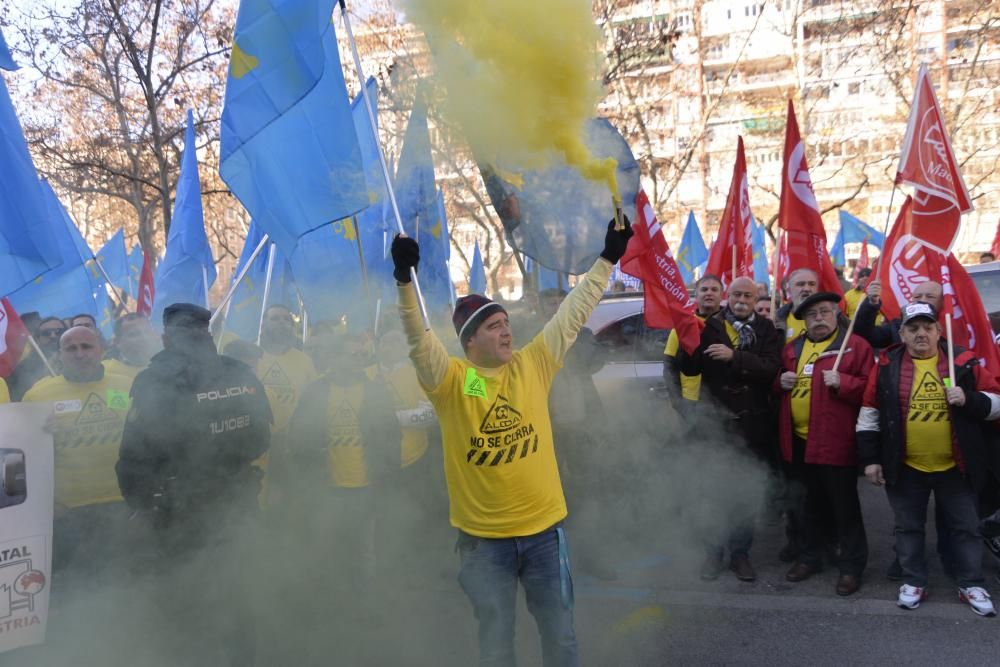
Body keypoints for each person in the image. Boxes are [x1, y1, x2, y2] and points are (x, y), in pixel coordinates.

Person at [392, 218, 632, 667]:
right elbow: (418, 342)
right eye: (493, 327)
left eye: (506, 323)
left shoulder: (531, 367)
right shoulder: (458, 384)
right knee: (497, 645)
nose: (506, 331)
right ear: (470, 342)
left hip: (545, 535)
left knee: (560, 639)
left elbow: (573, 311)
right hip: (485, 546)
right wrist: (405, 282)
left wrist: (607, 259)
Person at [117, 303, 271, 664]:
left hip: (180, 511)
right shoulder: (240, 374)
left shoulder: (153, 381)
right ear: (208, 334)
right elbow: (261, 439)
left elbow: (135, 456)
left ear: (167, 337)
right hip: (237, 501)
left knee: (186, 597)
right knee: (239, 588)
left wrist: (143, 504)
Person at [857, 301, 1000, 615]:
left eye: (927, 327)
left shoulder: (962, 362)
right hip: (906, 467)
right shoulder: (886, 365)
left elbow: (997, 402)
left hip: (956, 468)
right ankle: (913, 581)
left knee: (966, 528)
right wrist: (869, 459)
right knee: (908, 528)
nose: (921, 333)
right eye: (913, 328)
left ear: (939, 332)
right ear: (903, 335)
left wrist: (970, 399)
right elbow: (869, 414)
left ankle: (971, 583)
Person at [677, 276, 783, 582]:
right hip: (715, 424)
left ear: (756, 297)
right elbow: (690, 368)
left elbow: (770, 368)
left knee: (744, 492)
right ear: (727, 295)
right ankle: (713, 553)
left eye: (748, 295)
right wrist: (688, 340)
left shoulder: (766, 329)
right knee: (713, 492)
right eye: (736, 293)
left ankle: (740, 554)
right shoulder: (709, 326)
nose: (741, 299)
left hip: (752, 427)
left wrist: (734, 356)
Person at [776, 292, 873, 596]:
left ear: (836, 315)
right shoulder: (792, 349)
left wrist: (844, 383)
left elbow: (873, 391)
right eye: (812, 314)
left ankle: (851, 566)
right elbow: (777, 386)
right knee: (806, 506)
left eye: (824, 312)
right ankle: (810, 557)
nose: (818, 318)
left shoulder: (855, 347)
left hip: (834, 441)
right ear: (803, 320)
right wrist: (778, 382)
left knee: (844, 508)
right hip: (799, 442)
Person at [22, 326, 133, 586]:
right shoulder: (38, 395)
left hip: (123, 504)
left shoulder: (126, 386)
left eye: (86, 346)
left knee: (127, 582)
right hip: (69, 513)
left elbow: (147, 442)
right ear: (60, 354)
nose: (79, 354)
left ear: (102, 350)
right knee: (82, 586)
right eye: (70, 348)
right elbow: (27, 458)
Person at [255, 303, 317, 507]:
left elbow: (312, 403)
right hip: (257, 443)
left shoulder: (305, 361)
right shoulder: (252, 359)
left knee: (290, 501)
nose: (281, 323)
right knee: (257, 497)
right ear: (263, 324)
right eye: (274, 318)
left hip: (292, 443)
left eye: (286, 319)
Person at [663, 274, 723, 402]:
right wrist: (678, 402)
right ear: (696, 295)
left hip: (723, 403)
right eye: (704, 289)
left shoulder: (731, 324)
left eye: (714, 289)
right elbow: (669, 368)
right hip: (691, 401)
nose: (709, 293)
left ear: (722, 295)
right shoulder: (682, 327)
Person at [854, 279, 942, 350]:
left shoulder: (953, 327)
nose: (923, 300)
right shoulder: (897, 326)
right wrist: (871, 304)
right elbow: (865, 335)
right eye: (917, 297)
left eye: (930, 296)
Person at [7, 316, 65, 401]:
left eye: (59, 331)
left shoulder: (81, 359)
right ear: (37, 340)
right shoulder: (22, 369)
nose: (53, 336)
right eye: (46, 333)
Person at [104, 313, 161, 379]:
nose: (144, 338)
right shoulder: (106, 372)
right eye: (134, 334)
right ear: (117, 342)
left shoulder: (170, 362)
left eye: (147, 331)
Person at [774, 268, 819, 343]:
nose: (807, 288)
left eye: (812, 284)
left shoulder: (834, 316)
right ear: (789, 290)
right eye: (800, 284)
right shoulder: (776, 319)